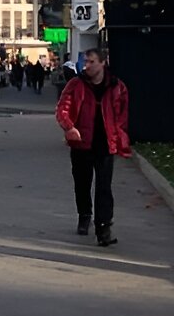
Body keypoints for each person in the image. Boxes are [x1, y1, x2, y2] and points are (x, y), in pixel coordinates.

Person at [55, 47, 130, 246]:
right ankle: (84, 215)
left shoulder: (117, 87)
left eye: (91, 62)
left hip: (105, 144)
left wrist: (120, 138)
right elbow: (63, 108)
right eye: (85, 61)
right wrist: (69, 127)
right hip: (81, 143)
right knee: (82, 183)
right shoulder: (76, 84)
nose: (86, 66)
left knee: (104, 187)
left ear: (103, 63)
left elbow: (122, 116)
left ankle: (103, 228)